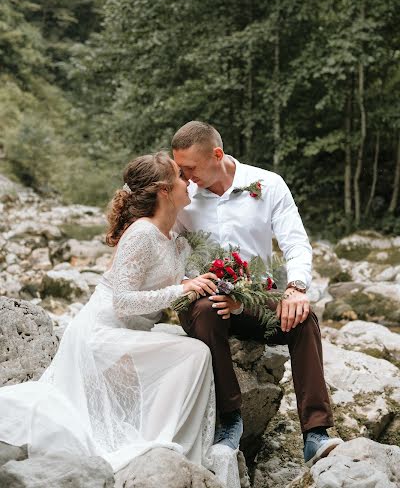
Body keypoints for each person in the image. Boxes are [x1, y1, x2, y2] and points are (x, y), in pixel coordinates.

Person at [0, 152, 241, 488]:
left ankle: (156, 435)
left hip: (133, 330)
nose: (188, 181)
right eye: (180, 177)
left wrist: (234, 296)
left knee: (190, 347)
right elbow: (123, 302)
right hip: (101, 332)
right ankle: (156, 440)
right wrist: (181, 288)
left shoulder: (176, 240)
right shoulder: (141, 234)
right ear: (164, 191)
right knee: (195, 354)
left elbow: (191, 282)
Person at [172, 121, 343, 467]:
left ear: (217, 155)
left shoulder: (268, 184)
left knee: (304, 316)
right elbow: (162, 246)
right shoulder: (181, 195)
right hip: (203, 302)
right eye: (179, 168)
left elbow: (296, 243)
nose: (184, 175)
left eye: (189, 167)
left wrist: (295, 288)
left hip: (253, 300)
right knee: (207, 309)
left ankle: (315, 433)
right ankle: (230, 420)